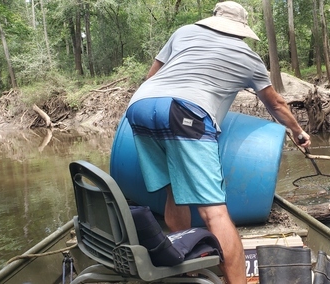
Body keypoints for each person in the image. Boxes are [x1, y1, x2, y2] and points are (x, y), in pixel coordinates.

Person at [124, 1, 311, 283]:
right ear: (241, 31)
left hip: (139, 106)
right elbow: (276, 103)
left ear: (213, 20)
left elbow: (152, 76)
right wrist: (298, 131)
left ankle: (187, 270)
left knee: (176, 190)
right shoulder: (248, 57)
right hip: (185, 112)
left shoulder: (184, 32)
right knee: (214, 213)